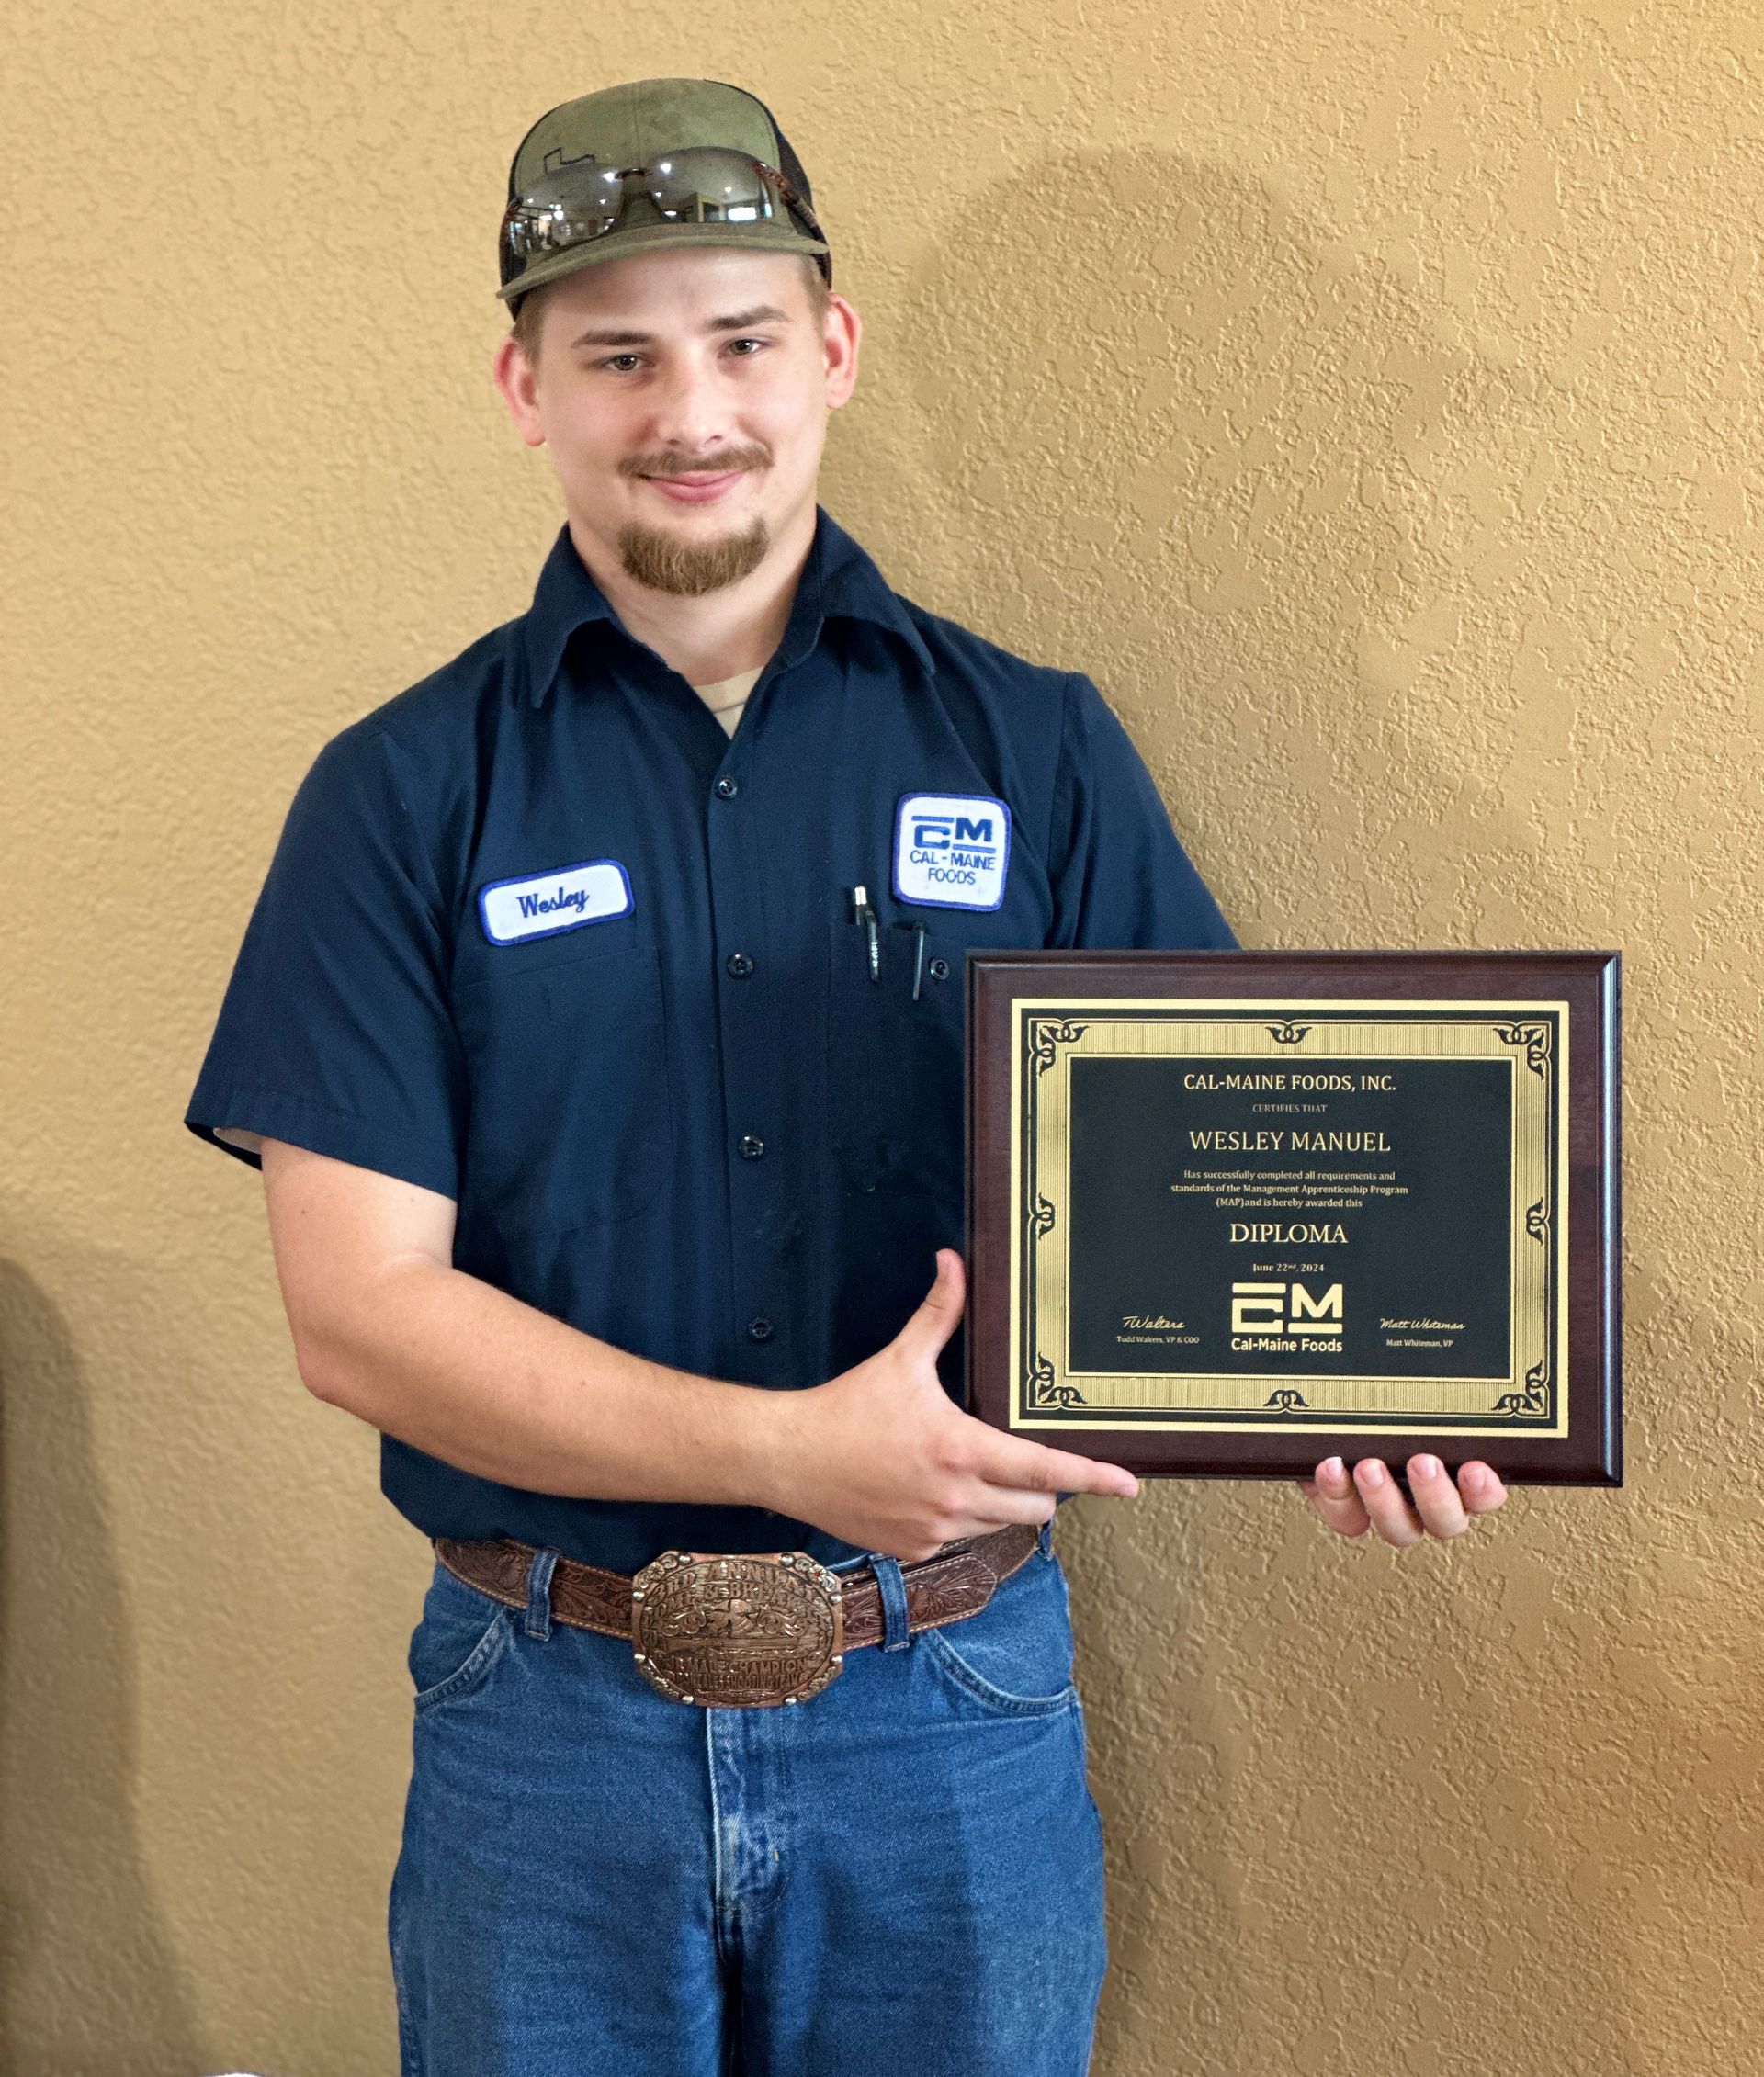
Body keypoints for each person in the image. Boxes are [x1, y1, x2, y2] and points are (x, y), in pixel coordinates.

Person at [183, 76, 1509, 2077]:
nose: (690, 410)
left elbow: (1242, 1170)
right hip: (547, 1725)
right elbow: (359, 1319)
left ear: (834, 350)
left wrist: (1357, 1387)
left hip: (946, 1710)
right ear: (523, 384)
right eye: (617, 353)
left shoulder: (1040, 750)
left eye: (739, 340)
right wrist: (787, 1454)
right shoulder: (400, 794)